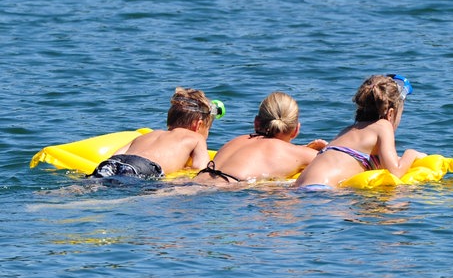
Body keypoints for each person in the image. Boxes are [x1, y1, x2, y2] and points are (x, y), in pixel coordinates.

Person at [295, 74, 426, 189]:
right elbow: (395, 172)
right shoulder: (383, 126)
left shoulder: (347, 130)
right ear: (391, 113)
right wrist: (411, 154)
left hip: (298, 188)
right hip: (322, 191)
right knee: (398, 206)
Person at [194, 91, 327, 185]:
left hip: (193, 183)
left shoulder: (237, 140)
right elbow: (337, 160)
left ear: (256, 122)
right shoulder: (296, 153)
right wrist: (325, 148)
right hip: (224, 192)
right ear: (296, 129)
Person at [89, 87, 221, 179]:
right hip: (144, 168)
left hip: (113, 163)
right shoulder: (196, 137)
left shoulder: (147, 136)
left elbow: (114, 156)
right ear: (197, 124)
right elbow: (200, 168)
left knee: (93, 184)